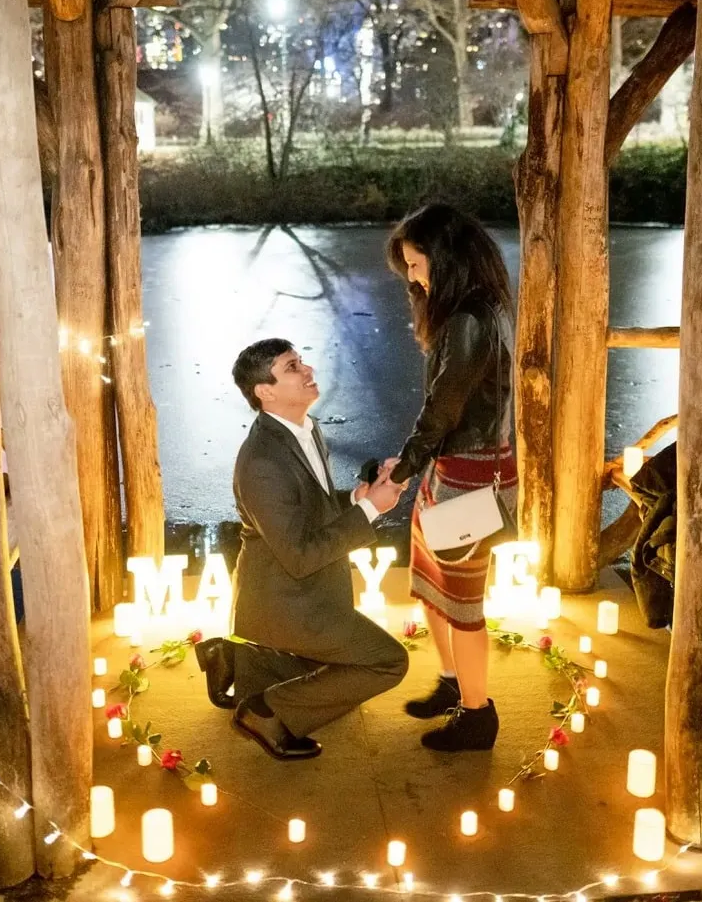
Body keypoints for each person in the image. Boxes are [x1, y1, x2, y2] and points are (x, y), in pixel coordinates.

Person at [194, 339, 406, 761]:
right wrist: (367, 511)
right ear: (265, 391)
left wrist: (355, 499)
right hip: (288, 601)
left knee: (336, 682)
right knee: (385, 663)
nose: (307, 369)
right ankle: (263, 710)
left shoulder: (304, 428)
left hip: (312, 591)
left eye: (301, 361)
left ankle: (239, 662)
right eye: (292, 366)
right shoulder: (261, 463)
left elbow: (309, 507)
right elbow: (300, 555)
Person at [382, 203, 517, 752]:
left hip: (470, 478)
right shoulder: (482, 306)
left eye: (417, 264)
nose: (412, 277)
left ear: (446, 258)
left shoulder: (467, 319)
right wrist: (416, 465)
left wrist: (403, 468)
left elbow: (443, 408)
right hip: (458, 470)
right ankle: (452, 682)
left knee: (463, 606)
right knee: (431, 586)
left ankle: (477, 715)